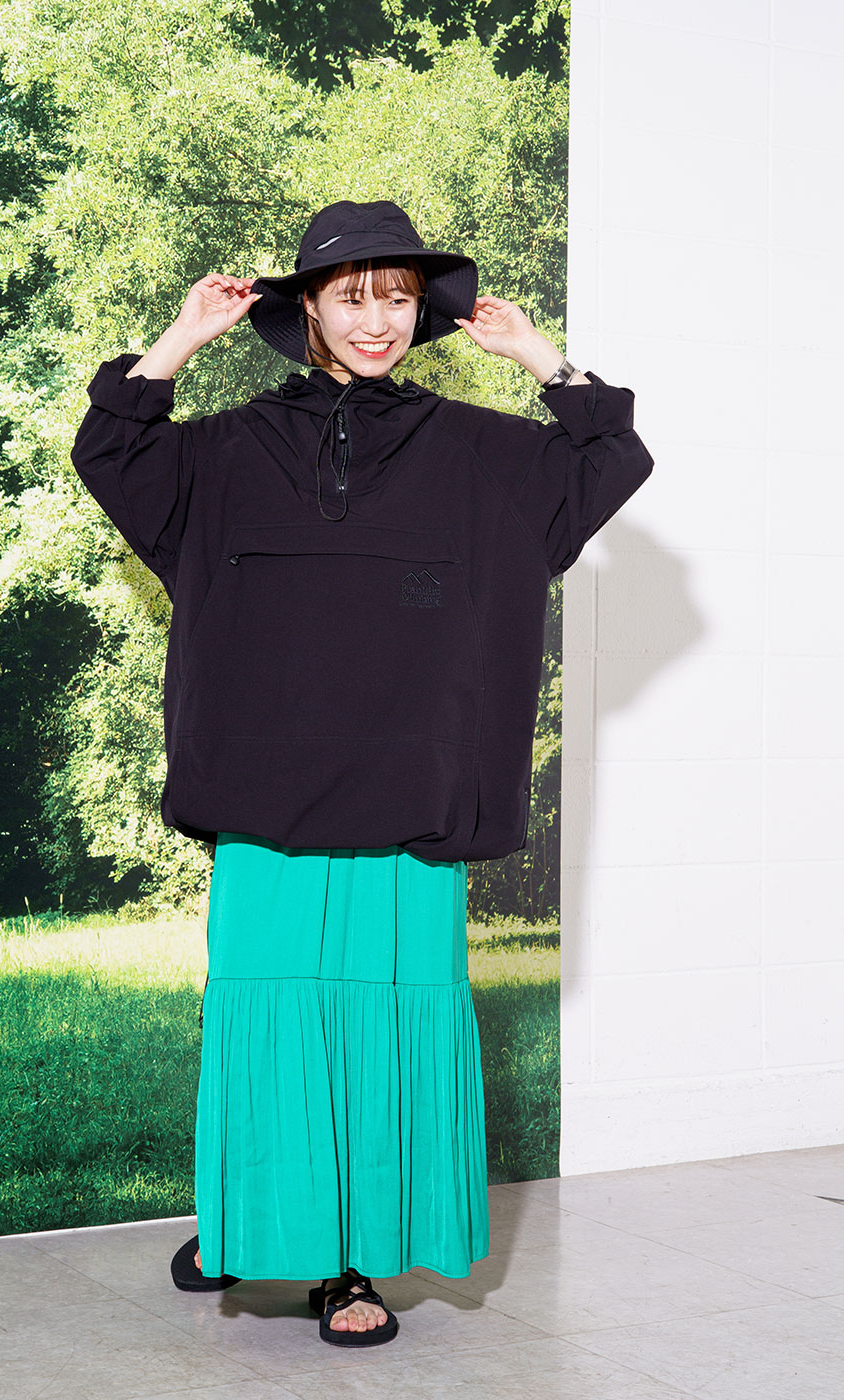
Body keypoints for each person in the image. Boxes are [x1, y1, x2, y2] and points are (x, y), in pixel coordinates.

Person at [71, 200, 654, 1347]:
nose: (378, 320)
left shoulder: (482, 456)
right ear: (308, 310)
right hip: (263, 804)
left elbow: (610, 457)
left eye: (397, 297)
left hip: (408, 808)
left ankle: (345, 1268)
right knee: (269, 1027)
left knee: (381, 1037)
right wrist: (183, 337)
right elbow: (112, 448)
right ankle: (252, 1222)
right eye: (352, 297)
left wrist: (536, 355)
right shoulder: (223, 454)